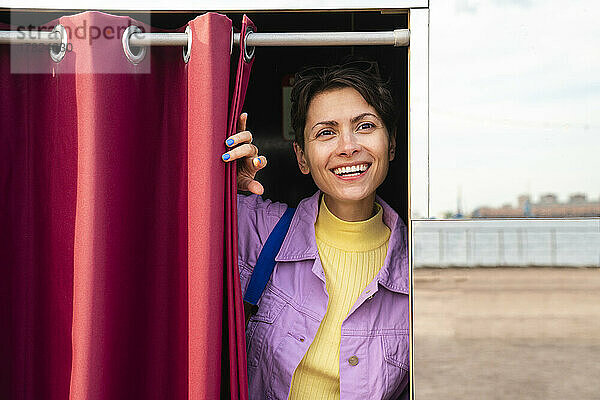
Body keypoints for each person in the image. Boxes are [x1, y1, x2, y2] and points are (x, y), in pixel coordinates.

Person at [221, 62, 409, 400]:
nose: (347, 147)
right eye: (326, 132)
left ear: (391, 144)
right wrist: (216, 187)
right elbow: (150, 221)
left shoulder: (419, 267)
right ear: (302, 157)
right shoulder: (257, 229)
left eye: (364, 126)